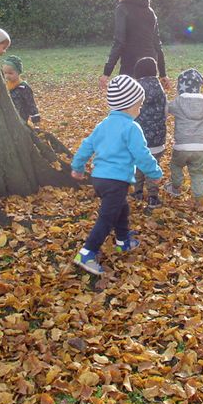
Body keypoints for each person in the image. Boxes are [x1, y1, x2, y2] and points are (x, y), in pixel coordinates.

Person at [71, 74, 163, 275]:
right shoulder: (131, 127)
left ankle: (123, 241)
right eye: (139, 105)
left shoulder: (103, 125)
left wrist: (77, 167)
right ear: (129, 105)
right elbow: (141, 154)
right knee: (106, 218)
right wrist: (154, 173)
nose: (140, 109)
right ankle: (87, 253)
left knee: (122, 208)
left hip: (99, 179)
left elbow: (86, 145)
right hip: (116, 181)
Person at [99, 0, 172, 91]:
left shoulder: (122, 9)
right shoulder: (150, 11)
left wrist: (106, 72)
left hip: (131, 65)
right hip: (150, 66)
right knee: (147, 103)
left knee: (128, 105)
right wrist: (163, 74)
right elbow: (157, 46)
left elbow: (119, 42)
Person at [164, 68, 203, 209]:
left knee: (176, 166)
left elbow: (167, 108)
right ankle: (199, 197)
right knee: (198, 173)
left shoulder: (178, 102)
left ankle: (176, 187)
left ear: (180, 86)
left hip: (182, 146)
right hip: (201, 147)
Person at [132, 57, 167, 209]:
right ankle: (153, 196)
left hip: (139, 138)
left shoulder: (135, 89)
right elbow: (165, 111)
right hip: (158, 138)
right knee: (153, 165)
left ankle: (138, 191)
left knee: (138, 164)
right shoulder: (160, 88)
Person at [1, 55, 40, 128]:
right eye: (5, 73)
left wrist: (36, 121)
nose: (7, 76)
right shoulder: (5, 86)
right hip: (7, 117)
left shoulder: (23, 88)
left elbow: (31, 104)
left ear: (18, 72)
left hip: (20, 119)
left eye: (10, 73)